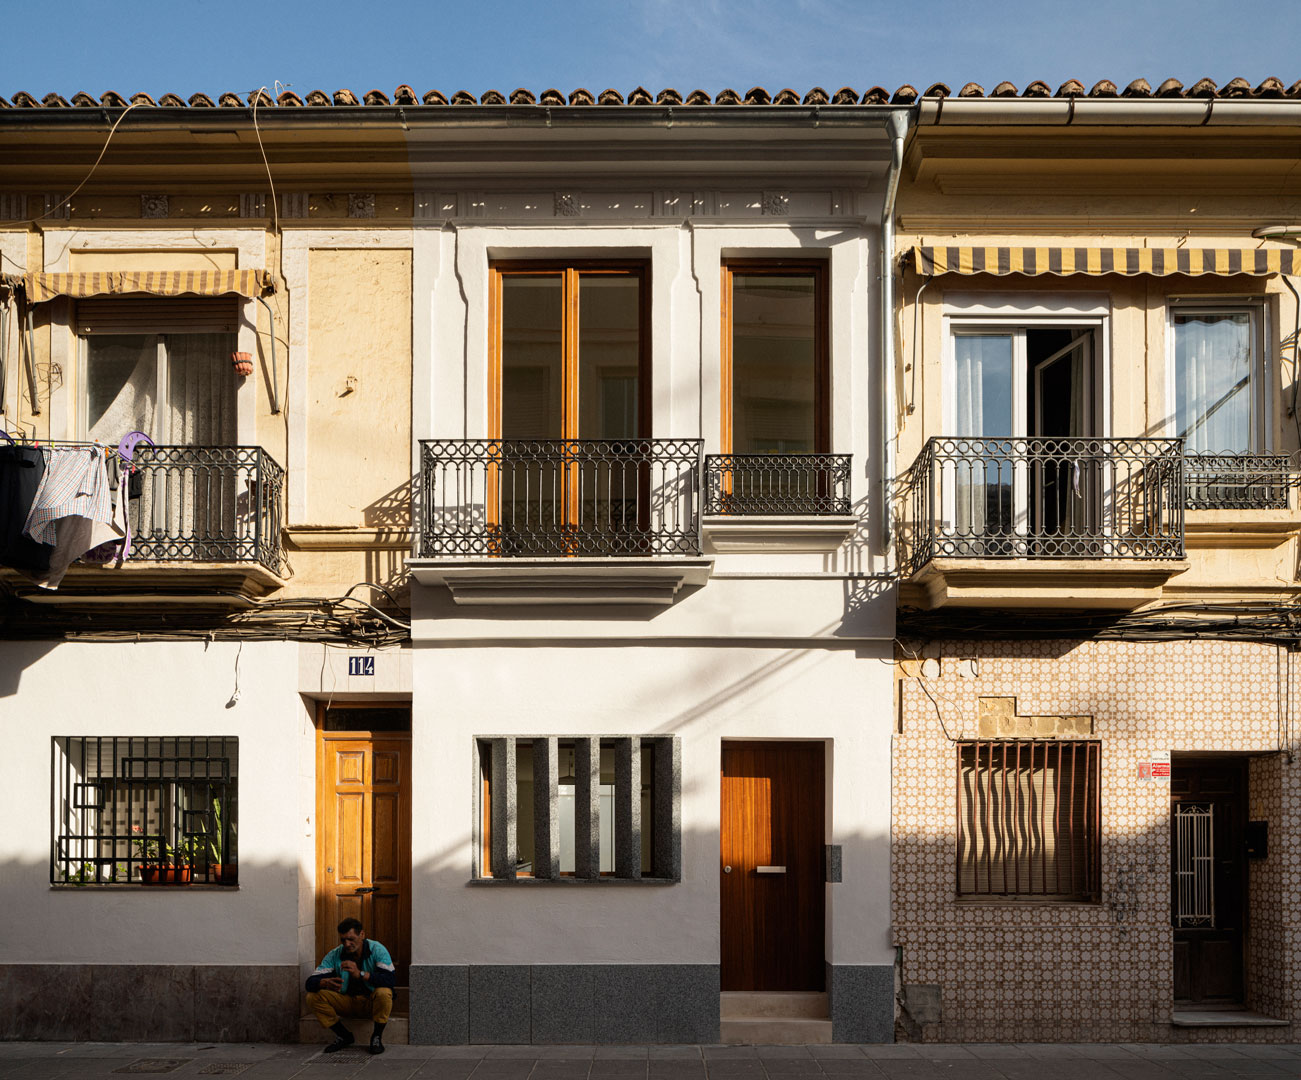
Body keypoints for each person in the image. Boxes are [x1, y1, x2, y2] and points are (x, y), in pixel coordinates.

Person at [305, 917, 396, 1054]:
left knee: (384, 992)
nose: (347, 944)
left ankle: (376, 1036)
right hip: (346, 1001)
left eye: (351, 939)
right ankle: (343, 1036)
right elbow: (309, 983)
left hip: (371, 1002)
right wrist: (324, 982)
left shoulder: (377, 949)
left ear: (362, 935)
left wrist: (360, 974)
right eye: (343, 940)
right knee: (312, 997)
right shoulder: (335, 954)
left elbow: (390, 980)